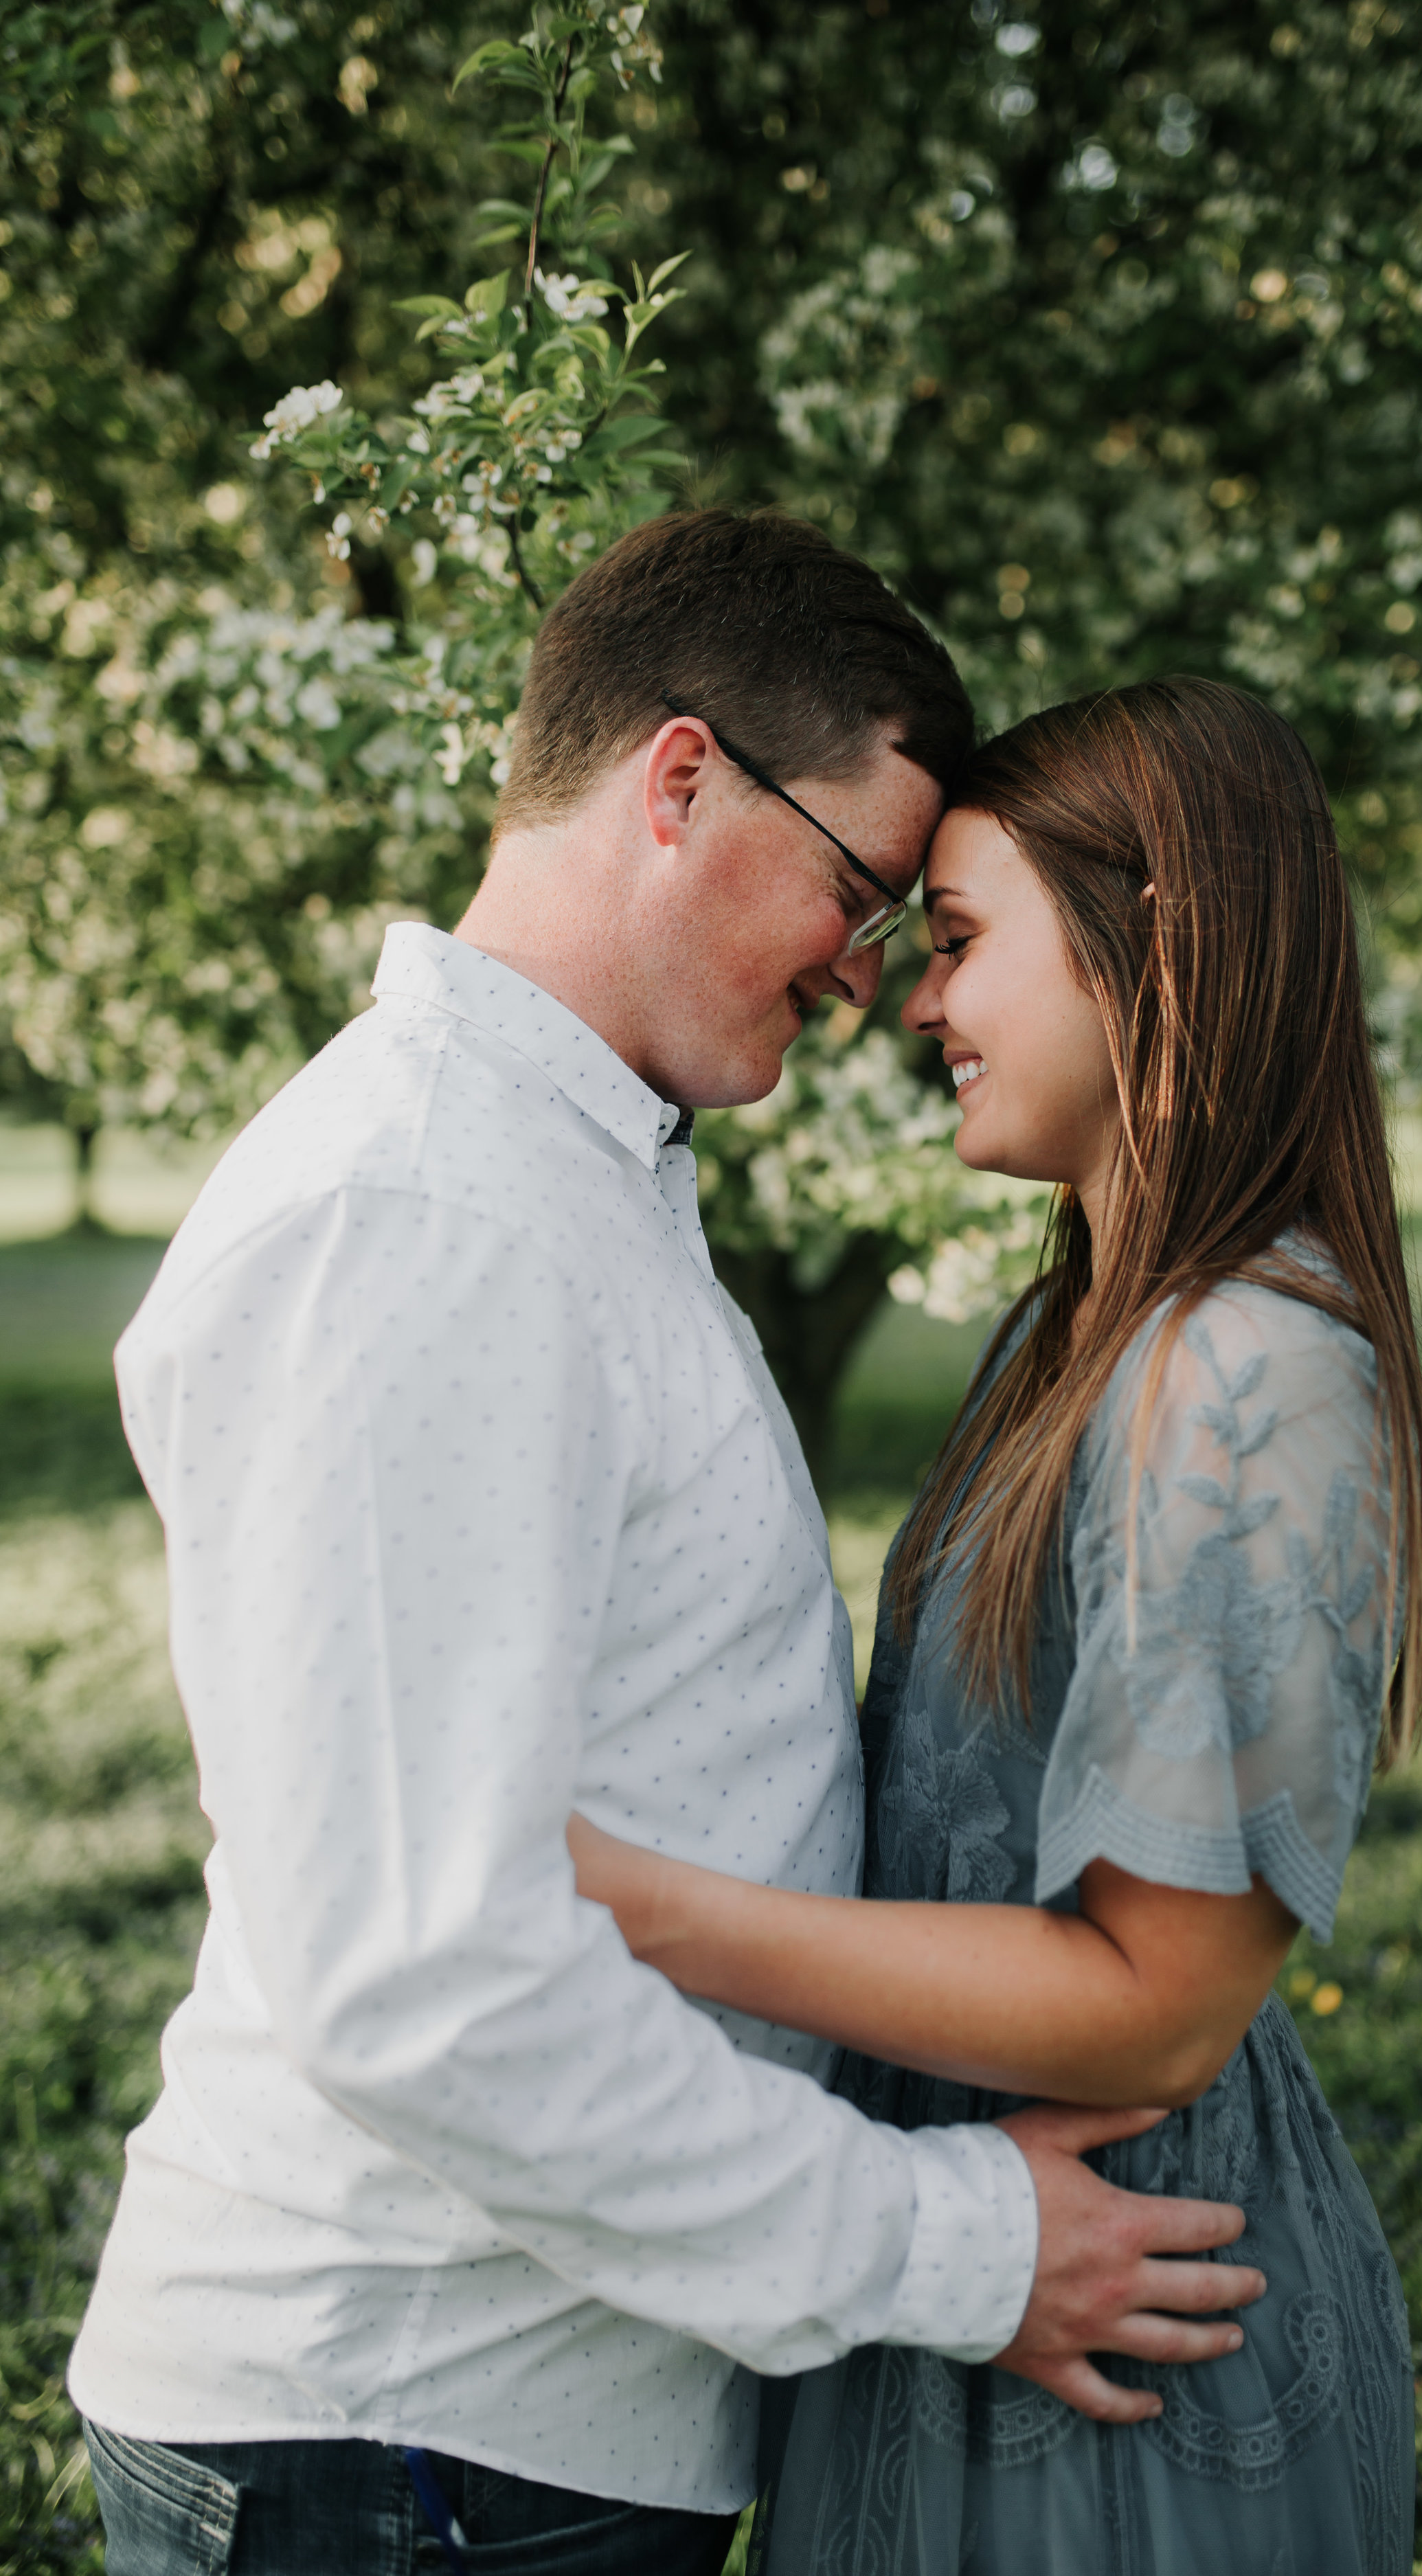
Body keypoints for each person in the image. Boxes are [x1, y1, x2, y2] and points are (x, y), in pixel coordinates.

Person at [69, 516, 1267, 2576]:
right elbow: (419, 1978)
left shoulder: (550, 1170)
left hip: (491, 2435)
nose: (866, 975)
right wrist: (959, 2246)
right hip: (398, 2447)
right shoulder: (425, 1215)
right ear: (683, 778)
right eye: (856, 890)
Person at [565, 675, 1422, 2575]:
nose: (912, 1006)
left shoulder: (1246, 1378)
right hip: (966, 2267)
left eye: (959, 944)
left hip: (1132, 2346)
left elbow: (1153, 2006)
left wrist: (611, 1895)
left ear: (1162, 943)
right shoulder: (1076, 1334)